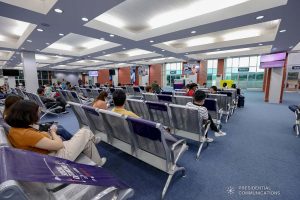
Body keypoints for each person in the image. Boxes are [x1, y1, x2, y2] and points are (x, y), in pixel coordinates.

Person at [6, 100, 106, 166]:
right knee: (85, 131)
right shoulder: (27, 134)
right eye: (37, 113)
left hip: (49, 154)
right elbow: (59, 145)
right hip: (56, 158)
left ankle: (98, 163)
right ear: (28, 116)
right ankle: (93, 138)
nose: (39, 115)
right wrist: (53, 132)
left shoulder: (15, 130)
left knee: (87, 142)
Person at [112, 90, 177, 142]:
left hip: (121, 134)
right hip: (137, 136)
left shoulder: (111, 112)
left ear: (113, 100)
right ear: (125, 101)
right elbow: (142, 123)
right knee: (159, 127)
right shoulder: (129, 114)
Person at [3, 94, 73, 141]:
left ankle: (72, 140)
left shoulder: (8, 115)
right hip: (35, 130)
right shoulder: (12, 117)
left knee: (59, 126)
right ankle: (72, 140)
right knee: (61, 130)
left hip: (33, 128)